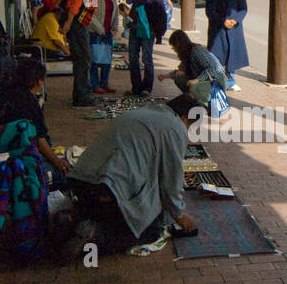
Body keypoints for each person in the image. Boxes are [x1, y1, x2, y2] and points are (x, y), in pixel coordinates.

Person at [62, 102, 198, 256]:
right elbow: (171, 179)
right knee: (149, 231)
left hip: (79, 180)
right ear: (185, 118)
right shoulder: (176, 126)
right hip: (108, 188)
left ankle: (74, 218)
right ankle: (95, 235)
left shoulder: (144, 112)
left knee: (104, 211)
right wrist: (179, 215)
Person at [0, 56, 70, 183]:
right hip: (2, 159)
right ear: (40, 81)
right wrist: (57, 162)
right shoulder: (29, 102)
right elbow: (39, 139)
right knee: (60, 175)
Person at [58, 0, 114, 107]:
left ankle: (81, 93)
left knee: (82, 57)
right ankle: (82, 95)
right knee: (84, 57)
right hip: (74, 20)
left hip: (75, 20)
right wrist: (69, 21)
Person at [120, 0, 167, 96]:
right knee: (133, 57)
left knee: (147, 58)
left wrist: (158, 31)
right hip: (135, 26)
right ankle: (136, 86)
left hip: (148, 29)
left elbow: (161, 11)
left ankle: (147, 87)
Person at [159, 29, 228, 117]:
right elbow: (180, 71)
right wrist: (166, 76)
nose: (174, 49)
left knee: (193, 86)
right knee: (180, 79)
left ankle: (205, 104)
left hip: (217, 82)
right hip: (204, 81)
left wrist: (197, 80)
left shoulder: (197, 51)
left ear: (179, 44)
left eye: (174, 46)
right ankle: (195, 100)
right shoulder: (187, 54)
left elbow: (214, 68)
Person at [206, 0, 248, 90]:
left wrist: (235, 20)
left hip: (233, 30)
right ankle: (218, 80)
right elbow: (210, 11)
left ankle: (231, 80)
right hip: (217, 30)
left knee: (232, 54)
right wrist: (222, 21)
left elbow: (243, 9)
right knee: (217, 55)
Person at [88, 0, 118, 94]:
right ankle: (95, 85)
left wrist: (115, 26)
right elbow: (90, 14)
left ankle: (104, 83)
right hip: (95, 31)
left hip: (108, 31)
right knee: (95, 59)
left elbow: (114, 11)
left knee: (107, 59)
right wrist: (99, 28)